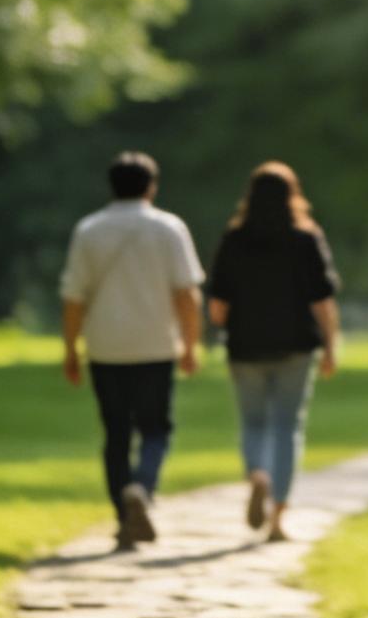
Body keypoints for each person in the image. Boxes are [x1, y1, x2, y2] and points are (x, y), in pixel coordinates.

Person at [60, 151, 204, 550]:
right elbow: (187, 294)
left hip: (105, 347)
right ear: (151, 187)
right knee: (156, 428)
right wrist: (191, 344)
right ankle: (142, 486)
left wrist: (70, 349)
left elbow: (73, 299)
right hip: (156, 345)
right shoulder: (169, 228)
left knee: (116, 433)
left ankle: (124, 518)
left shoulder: (89, 230)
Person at [207, 161, 340, 543]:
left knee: (253, 422)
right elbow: (323, 301)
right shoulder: (306, 239)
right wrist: (330, 345)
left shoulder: (234, 239)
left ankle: (257, 475)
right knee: (287, 426)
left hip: (245, 346)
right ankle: (278, 517)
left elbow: (217, 308)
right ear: (292, 195)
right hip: (297, 345)